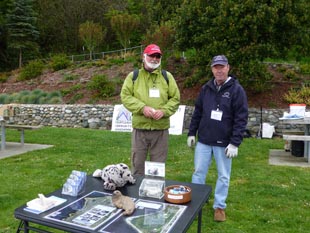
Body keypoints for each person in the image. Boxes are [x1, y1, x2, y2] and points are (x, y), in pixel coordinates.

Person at [187, 55, 248, 222]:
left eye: (222, 67)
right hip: (204, 140)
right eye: (216, 67)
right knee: (198, 173)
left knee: (223, 176)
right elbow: (198, 112)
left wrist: (235, 143)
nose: (219, 70)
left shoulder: (237, 90)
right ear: (212, 69)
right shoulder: (206, 88)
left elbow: (241, 119)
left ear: (228, 67)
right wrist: (192, 133)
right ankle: (197, 202)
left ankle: (219, 206)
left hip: (224, 143)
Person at [121, 44, 180, 175]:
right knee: (137, 166)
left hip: (160, 130)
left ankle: (154, 193)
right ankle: (136, 194)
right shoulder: (133, 76)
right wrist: (142, 108)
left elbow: (175, 98)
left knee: (157, 169)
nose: (154, 59)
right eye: (151, 55)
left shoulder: (167, 77)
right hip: (140, 129)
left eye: (157, 56)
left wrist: (164, 111)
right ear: (144, 56)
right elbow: (125, 96)